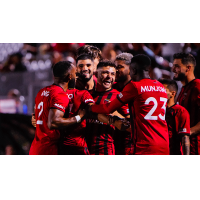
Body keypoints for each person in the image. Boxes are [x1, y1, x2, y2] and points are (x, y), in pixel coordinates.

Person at [89, 54, 169, 155]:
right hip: (164, 143)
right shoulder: (160, 86)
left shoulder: (134, 86)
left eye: (130, 71)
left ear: (134, 70)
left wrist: (90, 108)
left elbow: (108, 108)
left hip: (145, 144)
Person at [29, 61, 85, 155]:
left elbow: (37, 117)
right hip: (48, 149)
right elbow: (53, 123)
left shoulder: (42, 92)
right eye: (75, 74)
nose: (76, 77)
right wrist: (78, 117)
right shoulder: (59, 94)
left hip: (36, 148)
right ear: (69, 76)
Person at [86, 60, 129, 155]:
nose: (109, 76)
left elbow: (131, 125)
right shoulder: (87, 95)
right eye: (105, 73)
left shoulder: (119, 97)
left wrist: (116, 117)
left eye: (113, 74)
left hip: (105, 149)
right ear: (96, 74)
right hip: (83, 148)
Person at [173, 53, 200, 155]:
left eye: (177, 66)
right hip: (185, 147)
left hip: (196, 147)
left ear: (188, 68)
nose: (173, 69)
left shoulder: (197, 86)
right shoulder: (183, 89)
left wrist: (188, 132)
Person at [159, 79, 190, 155]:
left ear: (173, 94)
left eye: (163, 90)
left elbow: (185, 138)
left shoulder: (180, 111)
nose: (159, 93)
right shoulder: (156, 110)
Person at [113, 53, 134, 155]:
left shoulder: (136, 88)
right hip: (113, 140)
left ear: (130, 68)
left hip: (130, 142)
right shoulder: (112, 88)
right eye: (115, 67)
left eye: (120, 67)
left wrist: (115, 114)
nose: (116, 70)